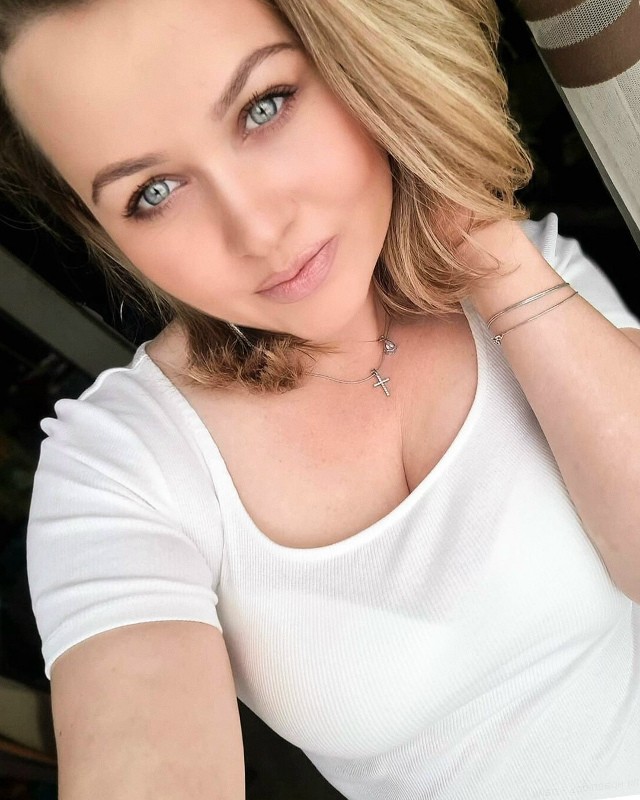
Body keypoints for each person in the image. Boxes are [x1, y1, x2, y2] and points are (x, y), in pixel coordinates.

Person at [0, 0, 639, 798]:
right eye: (154, 191)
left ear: (356, 63)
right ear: (103, 231)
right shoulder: (120, 471)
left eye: (264, 107)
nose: (257, 229)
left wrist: (479, 234)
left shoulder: (536, 276)